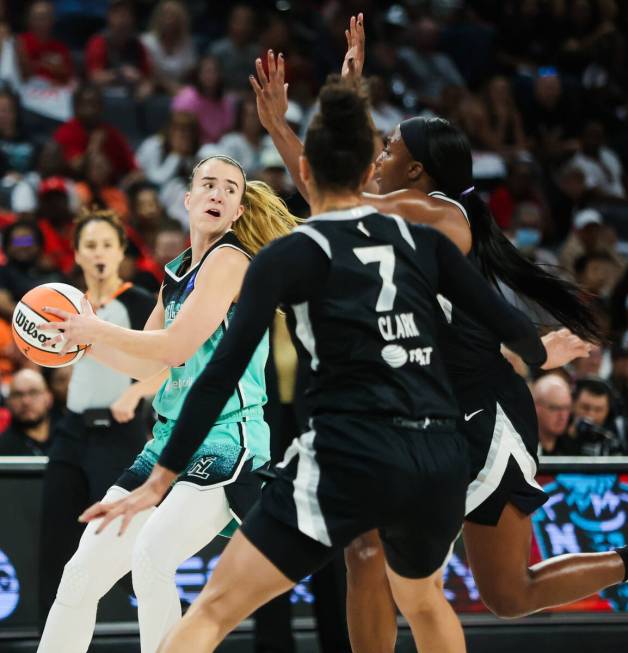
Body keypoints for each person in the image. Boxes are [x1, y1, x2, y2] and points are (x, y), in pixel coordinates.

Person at [80, 77, 588, 653]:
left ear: (310, 176)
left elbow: (218, 372)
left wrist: (159, 479)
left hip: (353, 448)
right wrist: (546, 352)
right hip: (438, 455)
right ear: (364, 168)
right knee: (420, 599)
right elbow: (517, 331)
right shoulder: (422, 242)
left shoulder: (292, 252)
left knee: (215, 609)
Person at [248, 30, 628, 647]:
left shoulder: (440, 214)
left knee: (508, 595)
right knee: (365, 554)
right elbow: (339, 194)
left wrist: (299, 118)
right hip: (424, 417)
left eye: (391, 145)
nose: (380, 150)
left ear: (416, 169)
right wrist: (332, 102)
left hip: (484, 416)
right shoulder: (401, 211)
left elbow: (336, 193)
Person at [36, 157, 299, 653]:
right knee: (79, 576)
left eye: (229, 189)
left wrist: (94, 328)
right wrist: (76, 341)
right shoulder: (177, 271)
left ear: (239, 209)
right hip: (167, 442)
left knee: (153, 555)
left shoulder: (232, 260)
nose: (217, 193)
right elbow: (145, 364)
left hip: (227, 438)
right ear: (189, 198)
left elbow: (176, 346)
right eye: (208, 184)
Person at [37, 209, 156, 619]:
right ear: (77, 254)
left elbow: (173, 363)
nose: (99, 253)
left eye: (108, 244)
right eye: (90, 246)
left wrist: (136, 394)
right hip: (71, 430)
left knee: (125, 548)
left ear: (122, 251)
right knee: (55, 541)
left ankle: (176, 635)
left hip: (120, 431)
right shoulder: (63, 304)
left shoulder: (139, 301)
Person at [0, 369, 54, 456]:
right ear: (8, 401)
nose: (26, 401)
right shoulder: (3, 448)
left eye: (33, 392)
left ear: (48, 397)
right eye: (17, 394)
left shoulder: (67, 437)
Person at [532, 374, 575, 455]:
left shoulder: (573, 448)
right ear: (535, 407)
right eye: (555, 408)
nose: (563, 416)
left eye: (567, 408)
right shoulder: (521, 446)